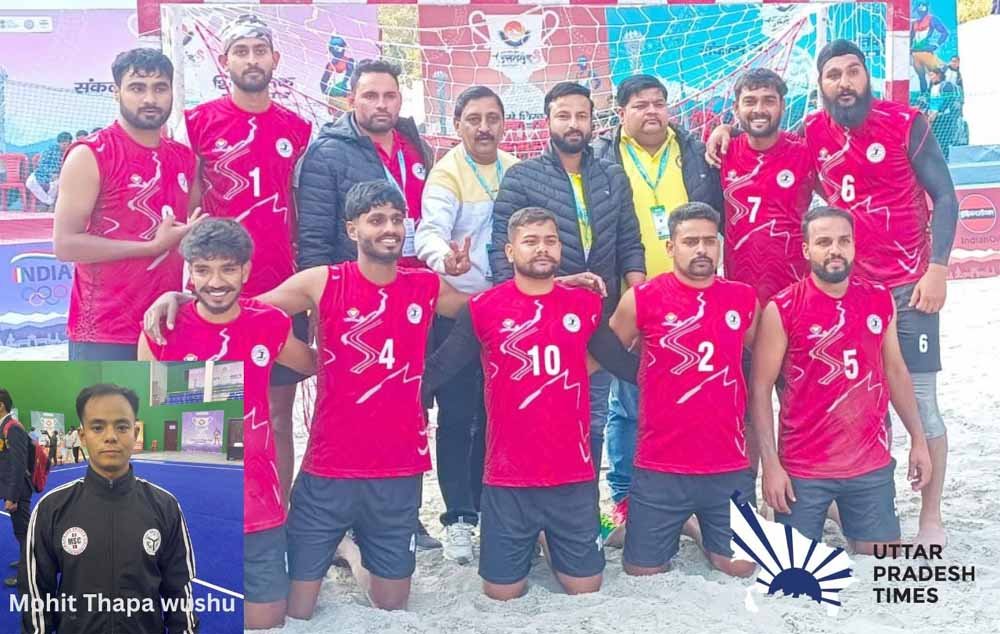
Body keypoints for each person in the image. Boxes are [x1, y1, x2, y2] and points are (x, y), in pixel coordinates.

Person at [143, 180, 468, 612]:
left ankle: (350, 552)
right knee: (297, 609)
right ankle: (342, 545)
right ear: (352, 229)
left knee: (392, 604)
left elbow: (483, 312)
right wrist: (181, 296)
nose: (388, 228)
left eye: (395, 219)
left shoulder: (425, 284)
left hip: (399, 463)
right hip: (330, 463)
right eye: (376, 220)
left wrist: (435, 372)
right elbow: (240, 307)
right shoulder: (322, 281)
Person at [708, 40, 959, 547]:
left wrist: (938, 268)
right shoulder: (813, 134)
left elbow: (947, 196)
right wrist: (727, 129)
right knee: (836, 394)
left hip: (908, 284)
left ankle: (930, 514)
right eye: (833, 75)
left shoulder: (905, 122)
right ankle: (838, 499)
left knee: (919, 400)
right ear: (820, 85)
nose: (844, 83)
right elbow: (761, 132)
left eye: (853, 72)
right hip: (845, 292)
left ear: (868, 76)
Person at [422, 206, 636, 599]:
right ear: (509, 251)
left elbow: (623, 365)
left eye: (550, 241)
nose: (542, 249)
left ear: (560, 249)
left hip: (571, 475)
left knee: (585, 588)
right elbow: (441, 367)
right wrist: (393, 395)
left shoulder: (584, 305)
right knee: (502, 593)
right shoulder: (483, 308)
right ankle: (538, 536)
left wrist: (678, 374)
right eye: (531, 241)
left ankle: (553, 538)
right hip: (508, 477)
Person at [138, 218, 315, 630]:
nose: (215, 281)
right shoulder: (163, 329)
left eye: (228, 269)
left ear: (246, 271)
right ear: (190, 272)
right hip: (191, 504)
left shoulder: (268, 323)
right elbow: (149, 420)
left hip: (258, 500)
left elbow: (315, 363)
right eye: (203, 269)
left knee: (266, 620)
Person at [296, 57, 441, 548]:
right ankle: (343, 519)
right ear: (351, 100)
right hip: (356, 301)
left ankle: (404, 516)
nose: (382, 104)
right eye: (371, 96)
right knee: (352, 407)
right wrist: (319, 308)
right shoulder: (327, 153)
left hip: (413, 295)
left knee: (408, 404)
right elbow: (315, 236)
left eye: (390, 95)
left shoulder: (415, 145)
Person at [177, 14, 312, 508]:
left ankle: (279, 514)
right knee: (209, 412)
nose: (251, 60)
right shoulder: (197, 122)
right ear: (224, 60)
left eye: (259, 50)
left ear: (275, 59)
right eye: (241, 51)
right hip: (215, 290)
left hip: (281, 292)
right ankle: (212, 513)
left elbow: (304, 208)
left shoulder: (299, 129)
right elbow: (188, 210)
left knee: (278, 415)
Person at [749, 206, 933, 552]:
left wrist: (918, 440)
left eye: (844, 241)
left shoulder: (879, 298)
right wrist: (771, 467)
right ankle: (825, 507)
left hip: (868, 462)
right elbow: (760, 389)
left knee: (883, 554)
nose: (835, 250)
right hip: (805, 467)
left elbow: (895, 371)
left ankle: (840, 508)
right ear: (806, 249)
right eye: (824, 242)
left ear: (853, 245)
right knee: (796, 561)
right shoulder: (783, 307)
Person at [590, 74, 723, 533]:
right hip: (631, 298)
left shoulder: (695, 152)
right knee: (628, 402)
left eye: (659, 103)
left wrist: (725, 130)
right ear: (621, 113)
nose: (652, 112)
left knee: (690, 397)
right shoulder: (602, 158)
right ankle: (625, 499)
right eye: (641, 105)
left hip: (693, 296)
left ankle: (687, 496)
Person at [492, 81, 646, 477]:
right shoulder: (521, 178)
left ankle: (585, 505)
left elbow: (630, 243)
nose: (573, 124)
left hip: (601, 320)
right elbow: (502, 256)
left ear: (594, 121)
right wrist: (554, 287)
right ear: (547, 121)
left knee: (593, 418)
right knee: (543, 414)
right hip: (542, 326)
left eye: (581, 115)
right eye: (563, 115)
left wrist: (641, 302)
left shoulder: (613, 176)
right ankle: (537, 504)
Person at [609, 202, 758, 577]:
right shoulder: (642, 298)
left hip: (726, 462)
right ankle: (683, 523)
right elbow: (606, 354)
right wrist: (646, 375)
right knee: (643, 572)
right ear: (671, 247)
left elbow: (762, 361)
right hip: (661, 463)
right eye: (691, 241)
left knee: (741, 567)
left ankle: (698, 526)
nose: (702, 249)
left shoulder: (743, 298)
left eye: (709, 241)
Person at [414, 85, 518, 564]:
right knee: (458, 416)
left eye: (492, 118)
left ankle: (493, 510)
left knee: (500, 415)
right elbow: (428, 232)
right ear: (457, 125)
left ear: (504, 124)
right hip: (459, 313)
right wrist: (445, 260)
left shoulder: (516, 170)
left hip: (510, 315)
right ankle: (458, 518)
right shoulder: (447, 172)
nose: (484, 127)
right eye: (473, 119)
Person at [53, 48, 201, 360]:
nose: (150, 99)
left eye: (160, 88)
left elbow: (193, 230)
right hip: (103, 332)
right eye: (137, 88)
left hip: (166, 324)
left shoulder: (184, 158)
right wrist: (150, 247)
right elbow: (66, 245)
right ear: (116, 92)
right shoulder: (91, 154)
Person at [20, 383, 199, 632]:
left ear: (135, 432)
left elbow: (179, 593)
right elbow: (36, 596)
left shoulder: (165, 506)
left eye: (122, 426)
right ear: (83, 436)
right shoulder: (52, 508)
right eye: (97, 427)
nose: (111, 436)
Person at [0, 388, 32, 588]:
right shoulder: (5, 427)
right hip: (13, 489)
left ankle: (27, 574)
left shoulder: (12, 428)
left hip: (18, 492)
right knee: (21, 531)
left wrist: (12, 497)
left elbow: (18, 465)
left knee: (24, 533)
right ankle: (25, 562)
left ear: (1, 406)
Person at [25, 131, 72, 209]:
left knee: (56, 184)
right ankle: (49, 202)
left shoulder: (72, 151)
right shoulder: (50, 150)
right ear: (59, 143)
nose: (65, 147)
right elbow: (42, 164)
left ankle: (49, 205)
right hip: (42, 173)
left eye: (67, 144)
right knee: (29, 182)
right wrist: (51, 173)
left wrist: (59, 174)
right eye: (63, 144)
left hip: (61, 176)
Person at [926, 67, 960, 161]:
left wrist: (937, 111)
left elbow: (948, 100)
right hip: (934, 116)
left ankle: (945, 158)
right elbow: (930, 101)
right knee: (934, 137)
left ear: (938, 75)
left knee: (943, 139)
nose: (930, 77)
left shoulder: (946, 85)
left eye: (932, 75)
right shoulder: (932, 87)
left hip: (944, 117)